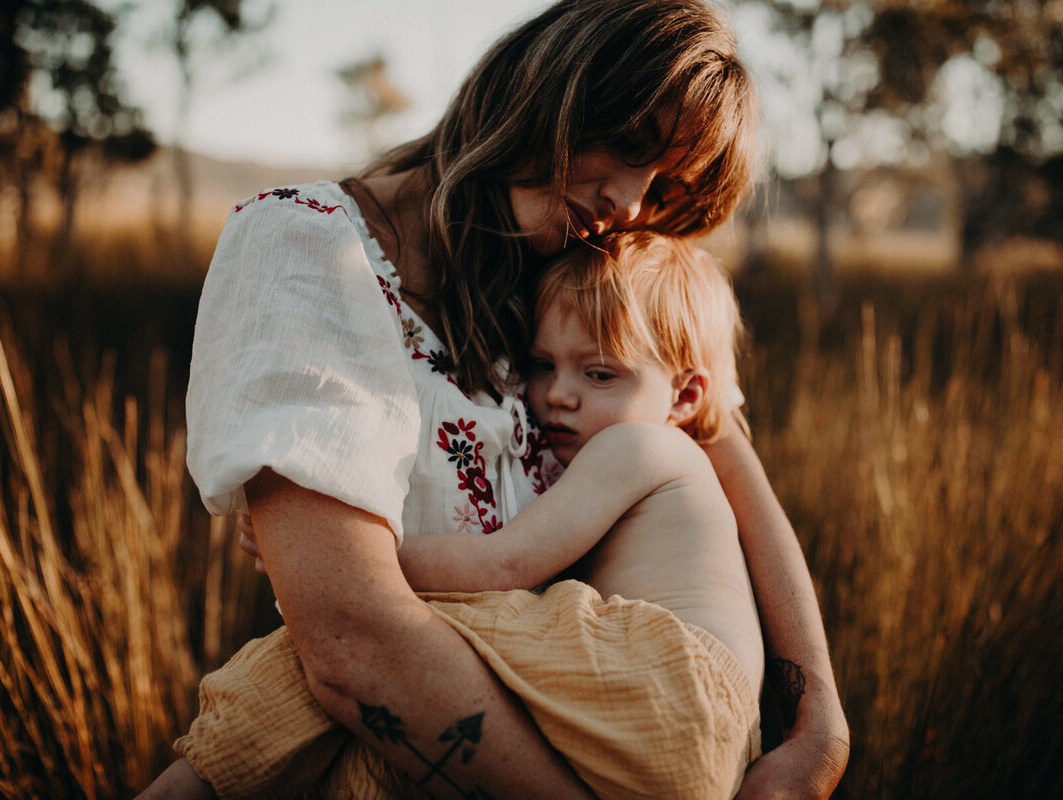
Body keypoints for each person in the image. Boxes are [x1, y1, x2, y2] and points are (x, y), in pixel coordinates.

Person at [143, 1, 848, 797]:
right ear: (549, 88)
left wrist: (819, 726)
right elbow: (350, 640)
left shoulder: (569, 285)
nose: (629, 203)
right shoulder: (306, 248)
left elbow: (720, 448)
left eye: (661, 184)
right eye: (627, 147)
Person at [149, 232, 765, 799]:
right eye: (543, 365)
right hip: (703, 742)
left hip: (663, 680)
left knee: (376, 623)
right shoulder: (646, 460)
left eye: (600, 373)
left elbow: (505, 564)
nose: (558, 394)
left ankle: (198, 776)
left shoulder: (638, 446)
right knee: (392, 727)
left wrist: (333, 555)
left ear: (685, 396)